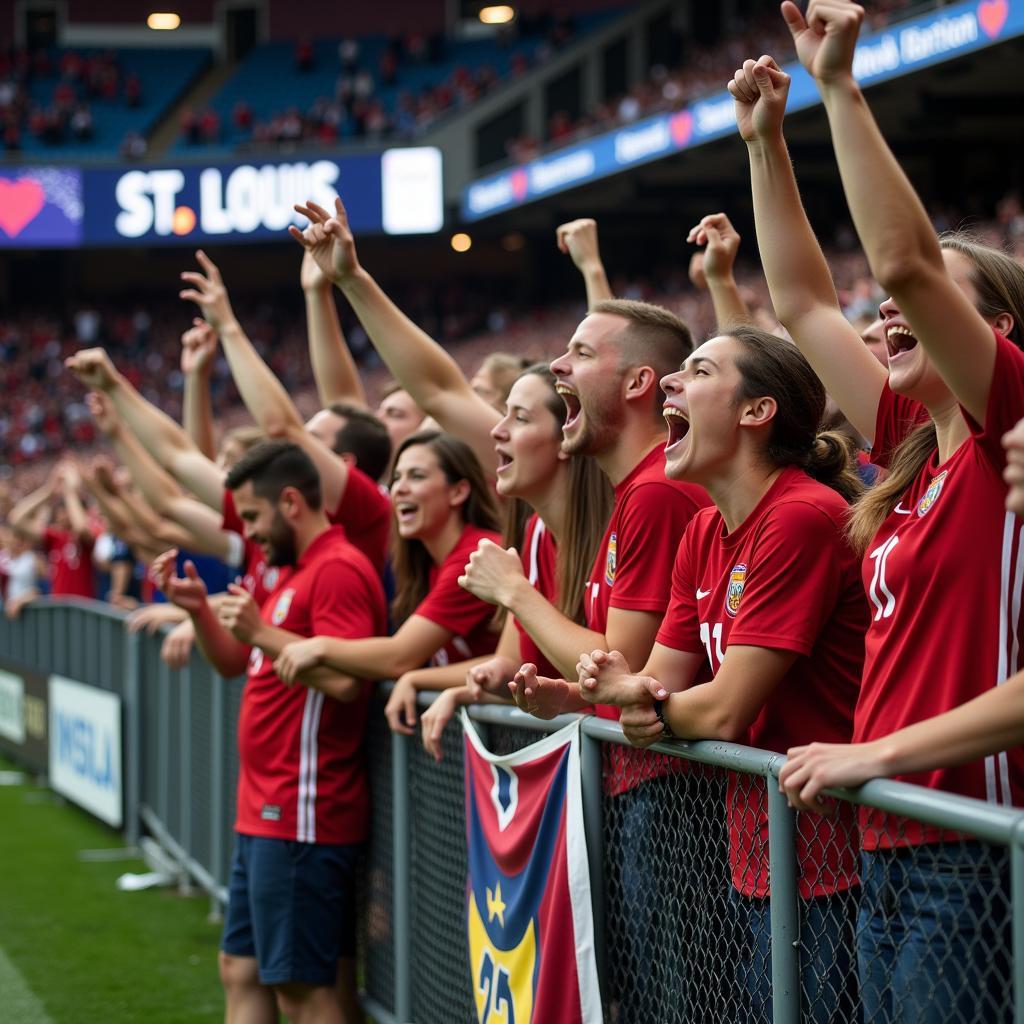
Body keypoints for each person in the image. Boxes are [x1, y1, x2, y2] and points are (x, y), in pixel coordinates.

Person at [741, 4, 1024, 1019]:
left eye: (927, 304)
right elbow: (808, 306)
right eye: (892, 312)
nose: (888, 310)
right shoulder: (913, 447)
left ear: (990, 331)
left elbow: (898, 261)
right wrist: (767, 143)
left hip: (968, 843)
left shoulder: (1007, 426)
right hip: (890, 832)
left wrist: (841, 87)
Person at [572, 324, 866, 1022]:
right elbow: (662, 681)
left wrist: (638, 701)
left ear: (756, 412)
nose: (672, 381)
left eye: (698, 372)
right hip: (756, 851)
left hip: (829, 861)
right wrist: (633, 695)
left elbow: (720, 709)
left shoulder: (800, 516)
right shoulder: (704, 530)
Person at [154, 439, 385, 1024]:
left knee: (305, 990)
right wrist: (199, 612)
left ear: (290, 503)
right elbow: (237, 661)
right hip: (267, 809)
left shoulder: (337, 570)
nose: (249, 533)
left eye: (253, 517)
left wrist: (260, 632)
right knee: (243, 968)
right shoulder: (292, 573)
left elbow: (347, 681)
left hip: (303, 812)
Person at [405, 363, 612, 752]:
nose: (497, 431)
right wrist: (476, 686)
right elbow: (511, 664)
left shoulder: (619, 525)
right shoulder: (534, 533)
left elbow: (615, 671)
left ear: (567, 436)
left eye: (519, 417)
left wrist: (513, 590)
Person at [274, 431, 502, 684]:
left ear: (458, 491)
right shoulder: (428, 564)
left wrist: (319, 647)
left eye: (417, 476)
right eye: (396, 478)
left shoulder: (476, 555)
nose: (399, 489)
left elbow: (399, 657)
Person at [9, 461, 96, 599]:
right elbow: (16, 519)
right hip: (59, 614)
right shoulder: (56, 537)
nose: (62, 516)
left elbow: (81, 528)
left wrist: (70, 492)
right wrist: (48, 492)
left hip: (83, 615)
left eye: (67, 510)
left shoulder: (89, 535)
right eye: (60, 511)